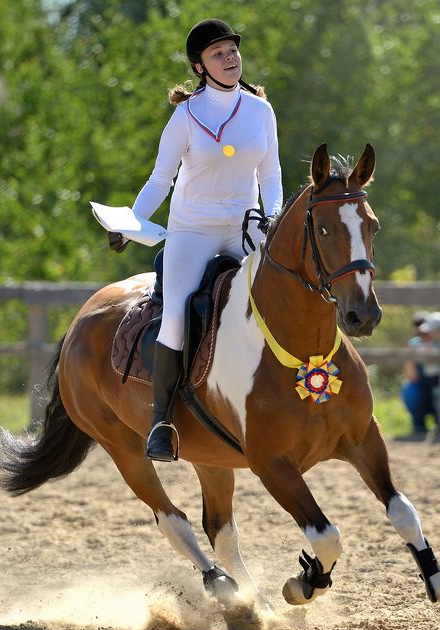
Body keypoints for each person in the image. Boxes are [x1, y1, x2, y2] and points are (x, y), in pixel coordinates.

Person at [110, 18, 282, 461]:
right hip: (192, 233)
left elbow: (271, 174)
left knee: (279, 300)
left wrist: (274, 217)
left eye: (233, 51)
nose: (230, 59)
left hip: (245, 228)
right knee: (177, 319)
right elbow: (159, 178)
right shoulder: (185, 117)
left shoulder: (261, 111)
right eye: (218, 54)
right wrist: (131, 222)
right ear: (199, 67)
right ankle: (162, 422)